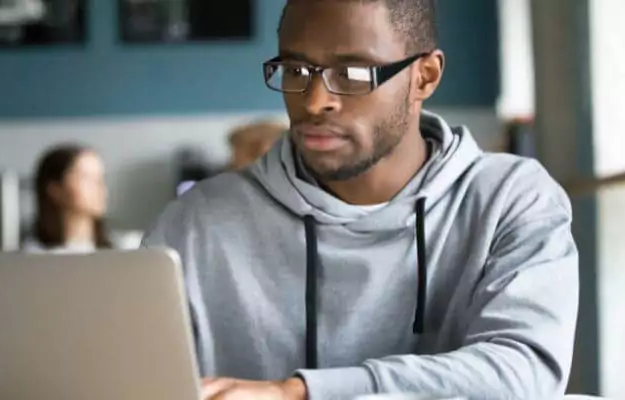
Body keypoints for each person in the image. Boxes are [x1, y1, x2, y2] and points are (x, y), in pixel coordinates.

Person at [143, 0, 579, 399]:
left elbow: (524, 375)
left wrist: (299, 391)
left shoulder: (510, 201)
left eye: (351, 74)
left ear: (423, 76)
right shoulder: (195, 224)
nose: (315, 102)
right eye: (296, 71)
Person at [24, 144, 111, 254]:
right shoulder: (32, 255)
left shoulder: (123, 251)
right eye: (86, 177)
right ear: (54, 189)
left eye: (100, 178)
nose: (99, 187)